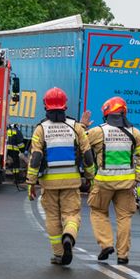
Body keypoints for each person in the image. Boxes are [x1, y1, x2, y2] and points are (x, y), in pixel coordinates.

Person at [26, 87, 95, 266]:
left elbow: (35, 158)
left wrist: (30, 183)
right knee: (71, 214)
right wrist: (90, 177)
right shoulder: (76, 127)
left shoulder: (41, 129)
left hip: (48, 183)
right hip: (71, 181)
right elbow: (87, 155)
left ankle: (58, 254)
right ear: (65, 106)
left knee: (53, 218)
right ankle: (69, 236)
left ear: (45, 106)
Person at [86, 96, 140, 265]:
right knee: (124, 218)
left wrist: (90, 172)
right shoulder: (134, 132)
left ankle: (106, 244)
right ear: (124, 111)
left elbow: (81, 145)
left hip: (103, 183)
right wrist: (138, 178)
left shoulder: (98, 131)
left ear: (106, 113)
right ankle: (123, 255)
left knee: (98, 212)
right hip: (127, 184)